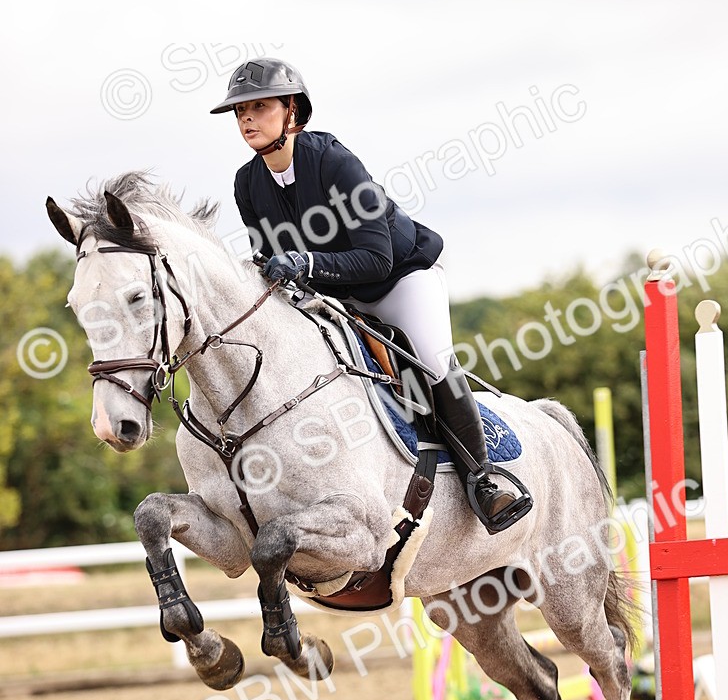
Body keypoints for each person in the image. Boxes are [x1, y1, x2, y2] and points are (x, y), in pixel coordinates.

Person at [211, 57, 531, 533]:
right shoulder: (247, 182)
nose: (247, 119)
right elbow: (270, 258)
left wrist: (307, 264)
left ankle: (484, 479)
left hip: (400, 280)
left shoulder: (334, 163)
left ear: (292, 110)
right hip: (334, 296)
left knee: (431, 361)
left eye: (259, 106)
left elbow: (376, 258)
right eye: (240, 111)